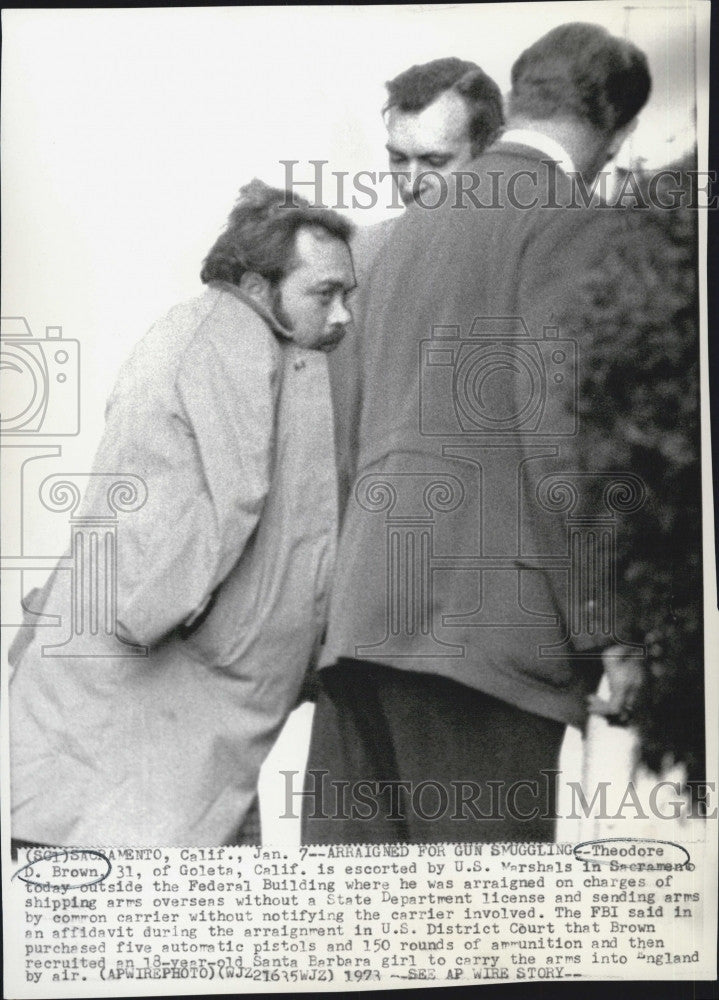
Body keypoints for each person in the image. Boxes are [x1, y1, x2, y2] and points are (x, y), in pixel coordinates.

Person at [302, 23, 652, 844]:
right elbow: (561, 436)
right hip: (486, 639)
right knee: (483, 944)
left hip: (365, 626)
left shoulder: (388, 242)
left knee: (364, 946)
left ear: (520, 99)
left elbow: (344, 444)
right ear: (619, 127)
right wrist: (611, 626)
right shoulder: (569, 217)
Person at [9, 180, 355, 848]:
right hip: (142, 708)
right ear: (257, 286)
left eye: (346, 294)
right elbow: (205, 518)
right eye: (324, 293)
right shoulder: (226, 339)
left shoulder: (245, 340)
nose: (341, 316)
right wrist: (170, 625)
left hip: (163, 714)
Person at [331, 58, 504, 519]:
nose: (411, 183)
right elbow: (339, 439)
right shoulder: (356, 260)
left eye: (434, 161)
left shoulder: (527, 256)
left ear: (489, 153)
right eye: (397, 158)